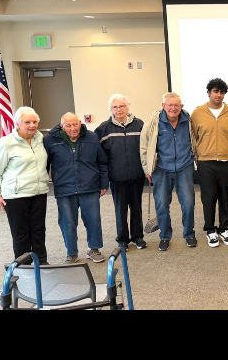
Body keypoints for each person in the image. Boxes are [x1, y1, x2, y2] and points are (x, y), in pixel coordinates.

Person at [44, 112, 109, 263]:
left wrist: (104, 183)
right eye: (68, 125)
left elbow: (102, 162)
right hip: (64, 188)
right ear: (62, 126)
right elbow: (44, 165)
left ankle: (94, 249)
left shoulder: (92, 137)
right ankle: (71, 253)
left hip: (89, 186)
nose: (72, 128)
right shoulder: (49, 141)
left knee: (93, 220)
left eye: (75, 124)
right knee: (67, 222)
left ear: (80, 123)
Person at [0, 106, 50, 265]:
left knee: (38, 230)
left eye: (35, 122)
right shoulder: (6, 143)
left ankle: (41, 263)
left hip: (39, 192)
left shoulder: (40, 139)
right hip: (16, 195)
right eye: (27, 122)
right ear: (17, 124)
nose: (32, 125)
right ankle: (24, 266)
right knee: (20, 233)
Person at [140, 92, 197, 251]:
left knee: (188, 203)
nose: (173, 108)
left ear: (181, 106)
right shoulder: (154, 121)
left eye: (176, 105)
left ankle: (189, 234)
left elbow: (196, 139)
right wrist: (147, 168)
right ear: (163, 106)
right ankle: (165, 236)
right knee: (162, 205)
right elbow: (144, 145)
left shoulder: (188, 120)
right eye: (170, 105)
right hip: (161, 169)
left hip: (184, 167)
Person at [190, 78, 228, 248]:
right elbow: (194, 135)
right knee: (209, 197)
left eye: (222, 92)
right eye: (215, 91)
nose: (218, 95)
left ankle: (224, 228)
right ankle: (210, 230)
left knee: (224, 196)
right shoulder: (198, 113)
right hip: (206, 162)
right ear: (209, 93)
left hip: (226, 161)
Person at [95, 93, 147, 252]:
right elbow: (97, 153)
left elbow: (146, 148)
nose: (118, 110)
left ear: (127, 107)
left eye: (121, 106)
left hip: (137, 175)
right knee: (121, 210)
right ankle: (123, 240)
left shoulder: (139, 125)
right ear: (111, 109)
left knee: (136, 208)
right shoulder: (104, 128)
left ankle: (138, 237)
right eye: (115, 107)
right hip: (117, 177)